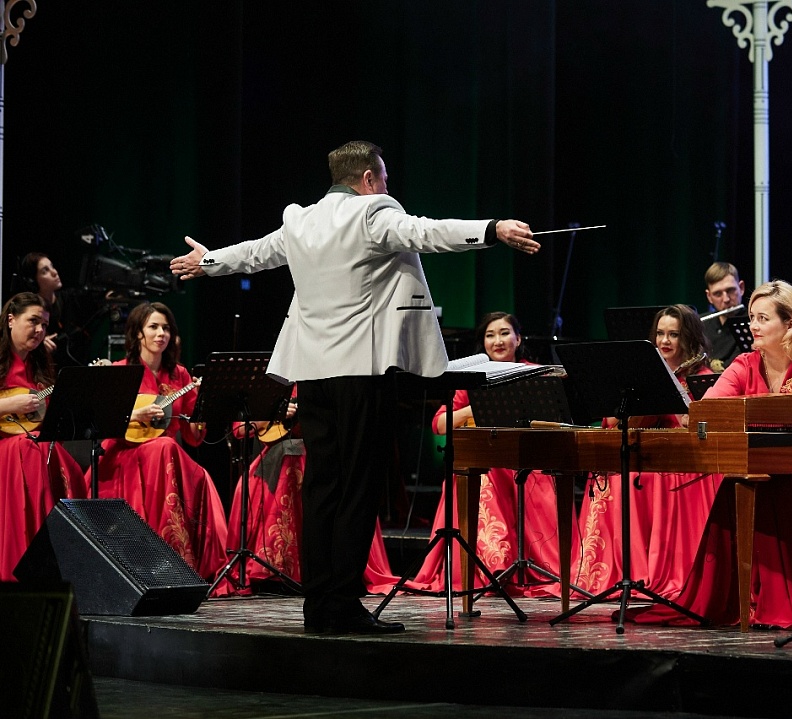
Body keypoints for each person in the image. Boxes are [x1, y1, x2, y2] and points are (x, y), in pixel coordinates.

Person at [170, 139, 537, 635]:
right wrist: (493, 228)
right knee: (358, 488)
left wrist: (210, 261)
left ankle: (319, 605)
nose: (386, 187)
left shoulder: (301, 220)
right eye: (383, 179)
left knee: (323, 486)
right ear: (368, 180)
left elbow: (257, 253)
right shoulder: (372, 213)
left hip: (312, 375)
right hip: (362, 373)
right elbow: (427, 231)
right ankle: (341, 604)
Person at [625, 283, 792, 628]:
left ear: (790, 323)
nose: (754, 326)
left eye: (763, 318)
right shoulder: (745, 363)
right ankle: (743, 597)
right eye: (752, 317)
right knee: (740, 484)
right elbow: (707, 410)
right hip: (761, 468)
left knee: (779, 486)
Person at [413, 311, 569, 596]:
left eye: (504, 333)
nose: (497, 341)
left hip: (528, 462)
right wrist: (474, 408)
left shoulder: (537, 373)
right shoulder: (472, 378)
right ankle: (493, 565)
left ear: (518, 339)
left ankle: (531, 565)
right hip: (489, 463)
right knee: (481, 474)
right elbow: (439, 424)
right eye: (490, 335)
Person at [575, 304, 718, 599]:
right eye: (660, 333)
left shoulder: (701, 376)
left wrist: (684, 409)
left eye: (674, 334)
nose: (665, 341)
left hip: (682, 462)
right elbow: (615, 423)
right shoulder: (644, 372)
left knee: (648, 479)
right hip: (643, 457)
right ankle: (618, 570)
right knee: (615, 475)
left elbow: (700, 427)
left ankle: (658, 572)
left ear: (689, 338)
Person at [92, 301, 229, 582]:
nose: (161, 334)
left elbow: (193, 436)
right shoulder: (120, 370)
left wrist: (204, 405)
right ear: (138, 333)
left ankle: (182, 563)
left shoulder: (180, 375)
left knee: (190, 467)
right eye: (153, 327)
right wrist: (135, 415)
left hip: (166, 457)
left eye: (166, 328)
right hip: (126, 454)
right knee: (164, 447)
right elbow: (101, 422)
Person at [227, 389, 399, 595]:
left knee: (299, 462)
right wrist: (274, 413)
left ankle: (330, 570)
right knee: (287, 461)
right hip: (280, 453)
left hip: (324, 453)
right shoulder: (271, 383)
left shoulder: (323, 384)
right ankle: (278, 569)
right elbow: (239, 430)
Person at [0, 292, 88, 581]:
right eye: (33, 321)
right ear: (11, 319)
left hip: (35, 445)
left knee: (65, 462)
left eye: (45, 325)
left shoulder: (39, 365)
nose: (39, 330)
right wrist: (9, 405)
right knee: (31, 448)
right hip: (7, 448)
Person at [18, 252, 101, 369]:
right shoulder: (29, 312)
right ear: (33, 281)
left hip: (76, 369)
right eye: (45, 271)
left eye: (52, 266)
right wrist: (38, 345)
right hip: (46, 373)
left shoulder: (71, 298)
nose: (54, 272)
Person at [702, 262, 748, 371]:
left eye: (730, 290)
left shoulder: (754, 323)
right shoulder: (700, 324)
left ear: (741, 288)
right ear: (709, 296)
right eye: (718, 294)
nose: (726, 299)